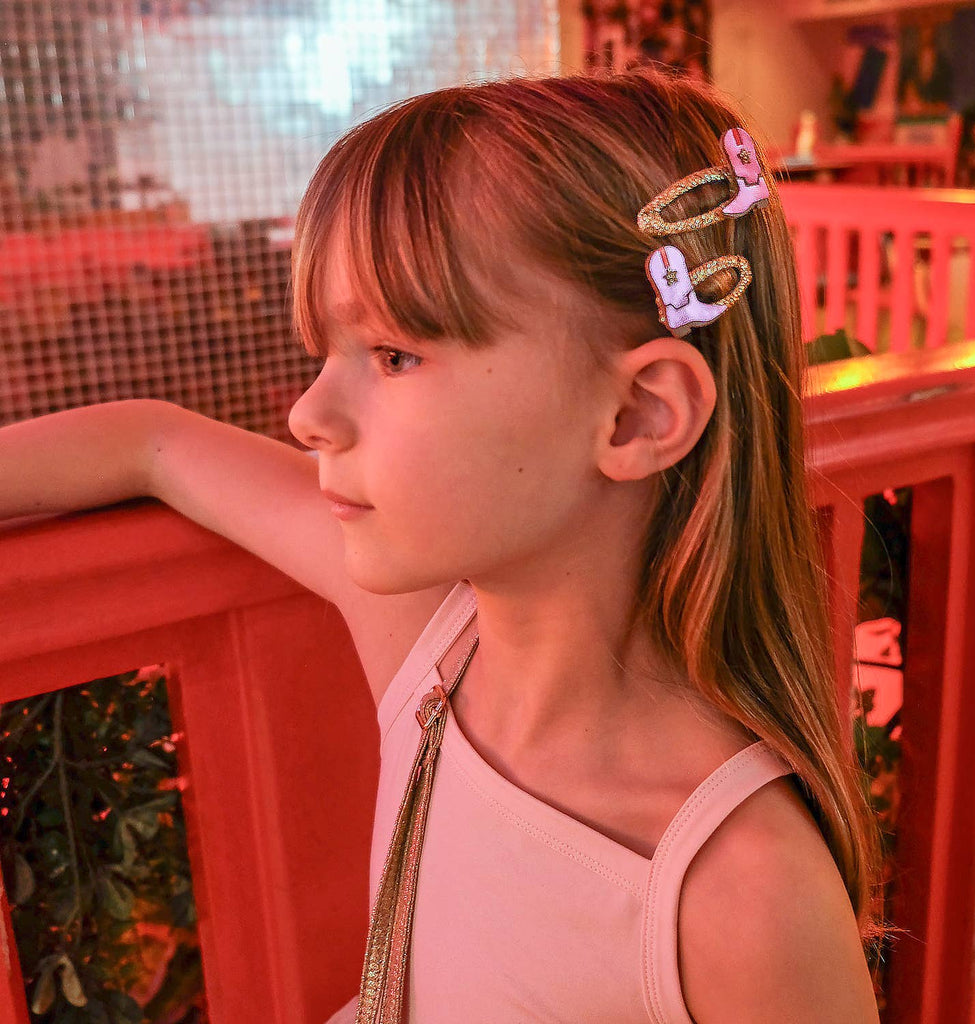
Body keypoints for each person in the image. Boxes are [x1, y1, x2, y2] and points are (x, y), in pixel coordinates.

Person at [1, 69, 885, 1022]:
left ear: (636, 415)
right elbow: (156, 443)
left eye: (394, 355)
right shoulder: (434, 646)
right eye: (327, 354)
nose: (308, 414)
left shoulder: (741, 894)